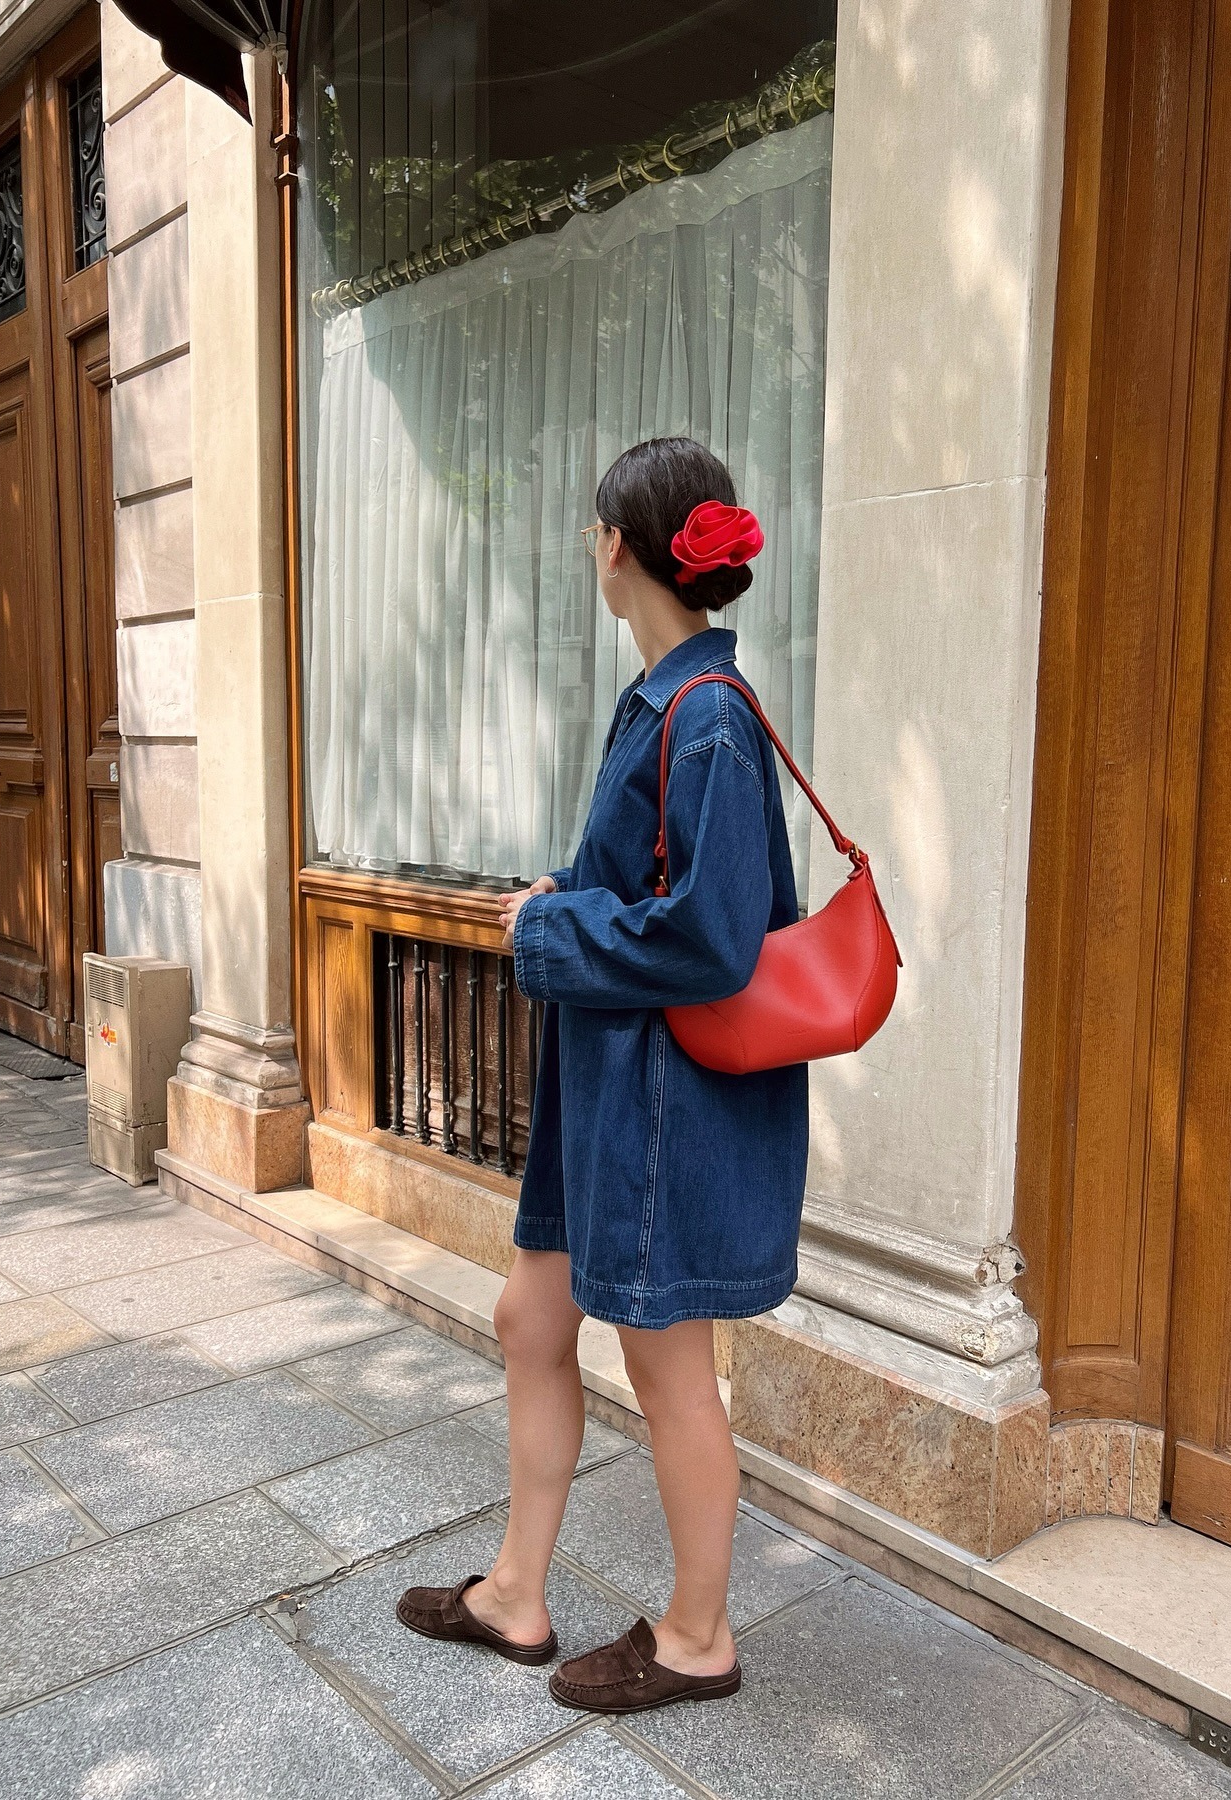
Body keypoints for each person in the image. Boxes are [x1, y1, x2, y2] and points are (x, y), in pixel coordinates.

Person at [397, 437, 808, 1714]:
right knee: (532, 1322)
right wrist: (567, 893)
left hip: (657, 1102)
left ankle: (697, 1638)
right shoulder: (665, 700)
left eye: (593, 532)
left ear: (618, 547)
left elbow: (711, 935)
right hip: (609, 1094)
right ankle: (516, 1594)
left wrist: (551, 928)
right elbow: (649, 883)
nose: (591, 549)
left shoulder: (709, 716)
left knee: (669, 1368)